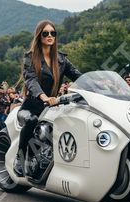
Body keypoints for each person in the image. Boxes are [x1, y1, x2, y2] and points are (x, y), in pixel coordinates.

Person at [14, 20, 82, 176]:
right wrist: (44, 97)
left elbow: (78, 76)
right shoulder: (30, 58)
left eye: (53, 33)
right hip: (31, 106)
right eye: (46, 33)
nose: (50, 36)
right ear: (39, 36)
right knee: (31, 120)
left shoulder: (61, 59)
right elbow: (31, 80)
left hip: (51, 108)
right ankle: (20, 158)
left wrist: (97, 85)